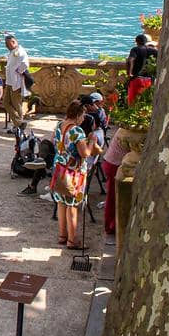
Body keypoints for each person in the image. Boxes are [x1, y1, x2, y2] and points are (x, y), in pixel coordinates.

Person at [52, 99, 97, 248]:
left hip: (59, 169)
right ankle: (72, 240)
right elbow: (85, 153)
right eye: (83, 114)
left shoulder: (60, 125)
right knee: (72, 205)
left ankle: (62, 235)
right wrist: (91, 141)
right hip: (73, 173)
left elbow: (55, 141)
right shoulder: (77, 131)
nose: (84, 118)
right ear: (78, 114)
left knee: (61, 203)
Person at [0, 34, 36, 131]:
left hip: (16, 82)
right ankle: (19, 123)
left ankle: (18, 126)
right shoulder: (12, 52)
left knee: (17, 104)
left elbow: (25, 64)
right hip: (9, 82)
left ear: (13, 42)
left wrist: (19, 71)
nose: (6, 46)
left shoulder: (20, 52)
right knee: (6, 102)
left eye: (7, 44)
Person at [100, 124, 128, 237]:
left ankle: (112, 225)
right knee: (112, 197)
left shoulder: (124, 130)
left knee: (112, 197)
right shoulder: (128, 133)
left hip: (112, 163)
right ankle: (110, 226)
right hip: (114, 165)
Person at [125, 34, 158, 105]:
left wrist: (129, 73)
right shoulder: (154, 51)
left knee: (132, 103)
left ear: (136, 42)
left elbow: (131, 60)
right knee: (146, 103)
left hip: (137, 79)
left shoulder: (135, 49)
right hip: (149, 80)